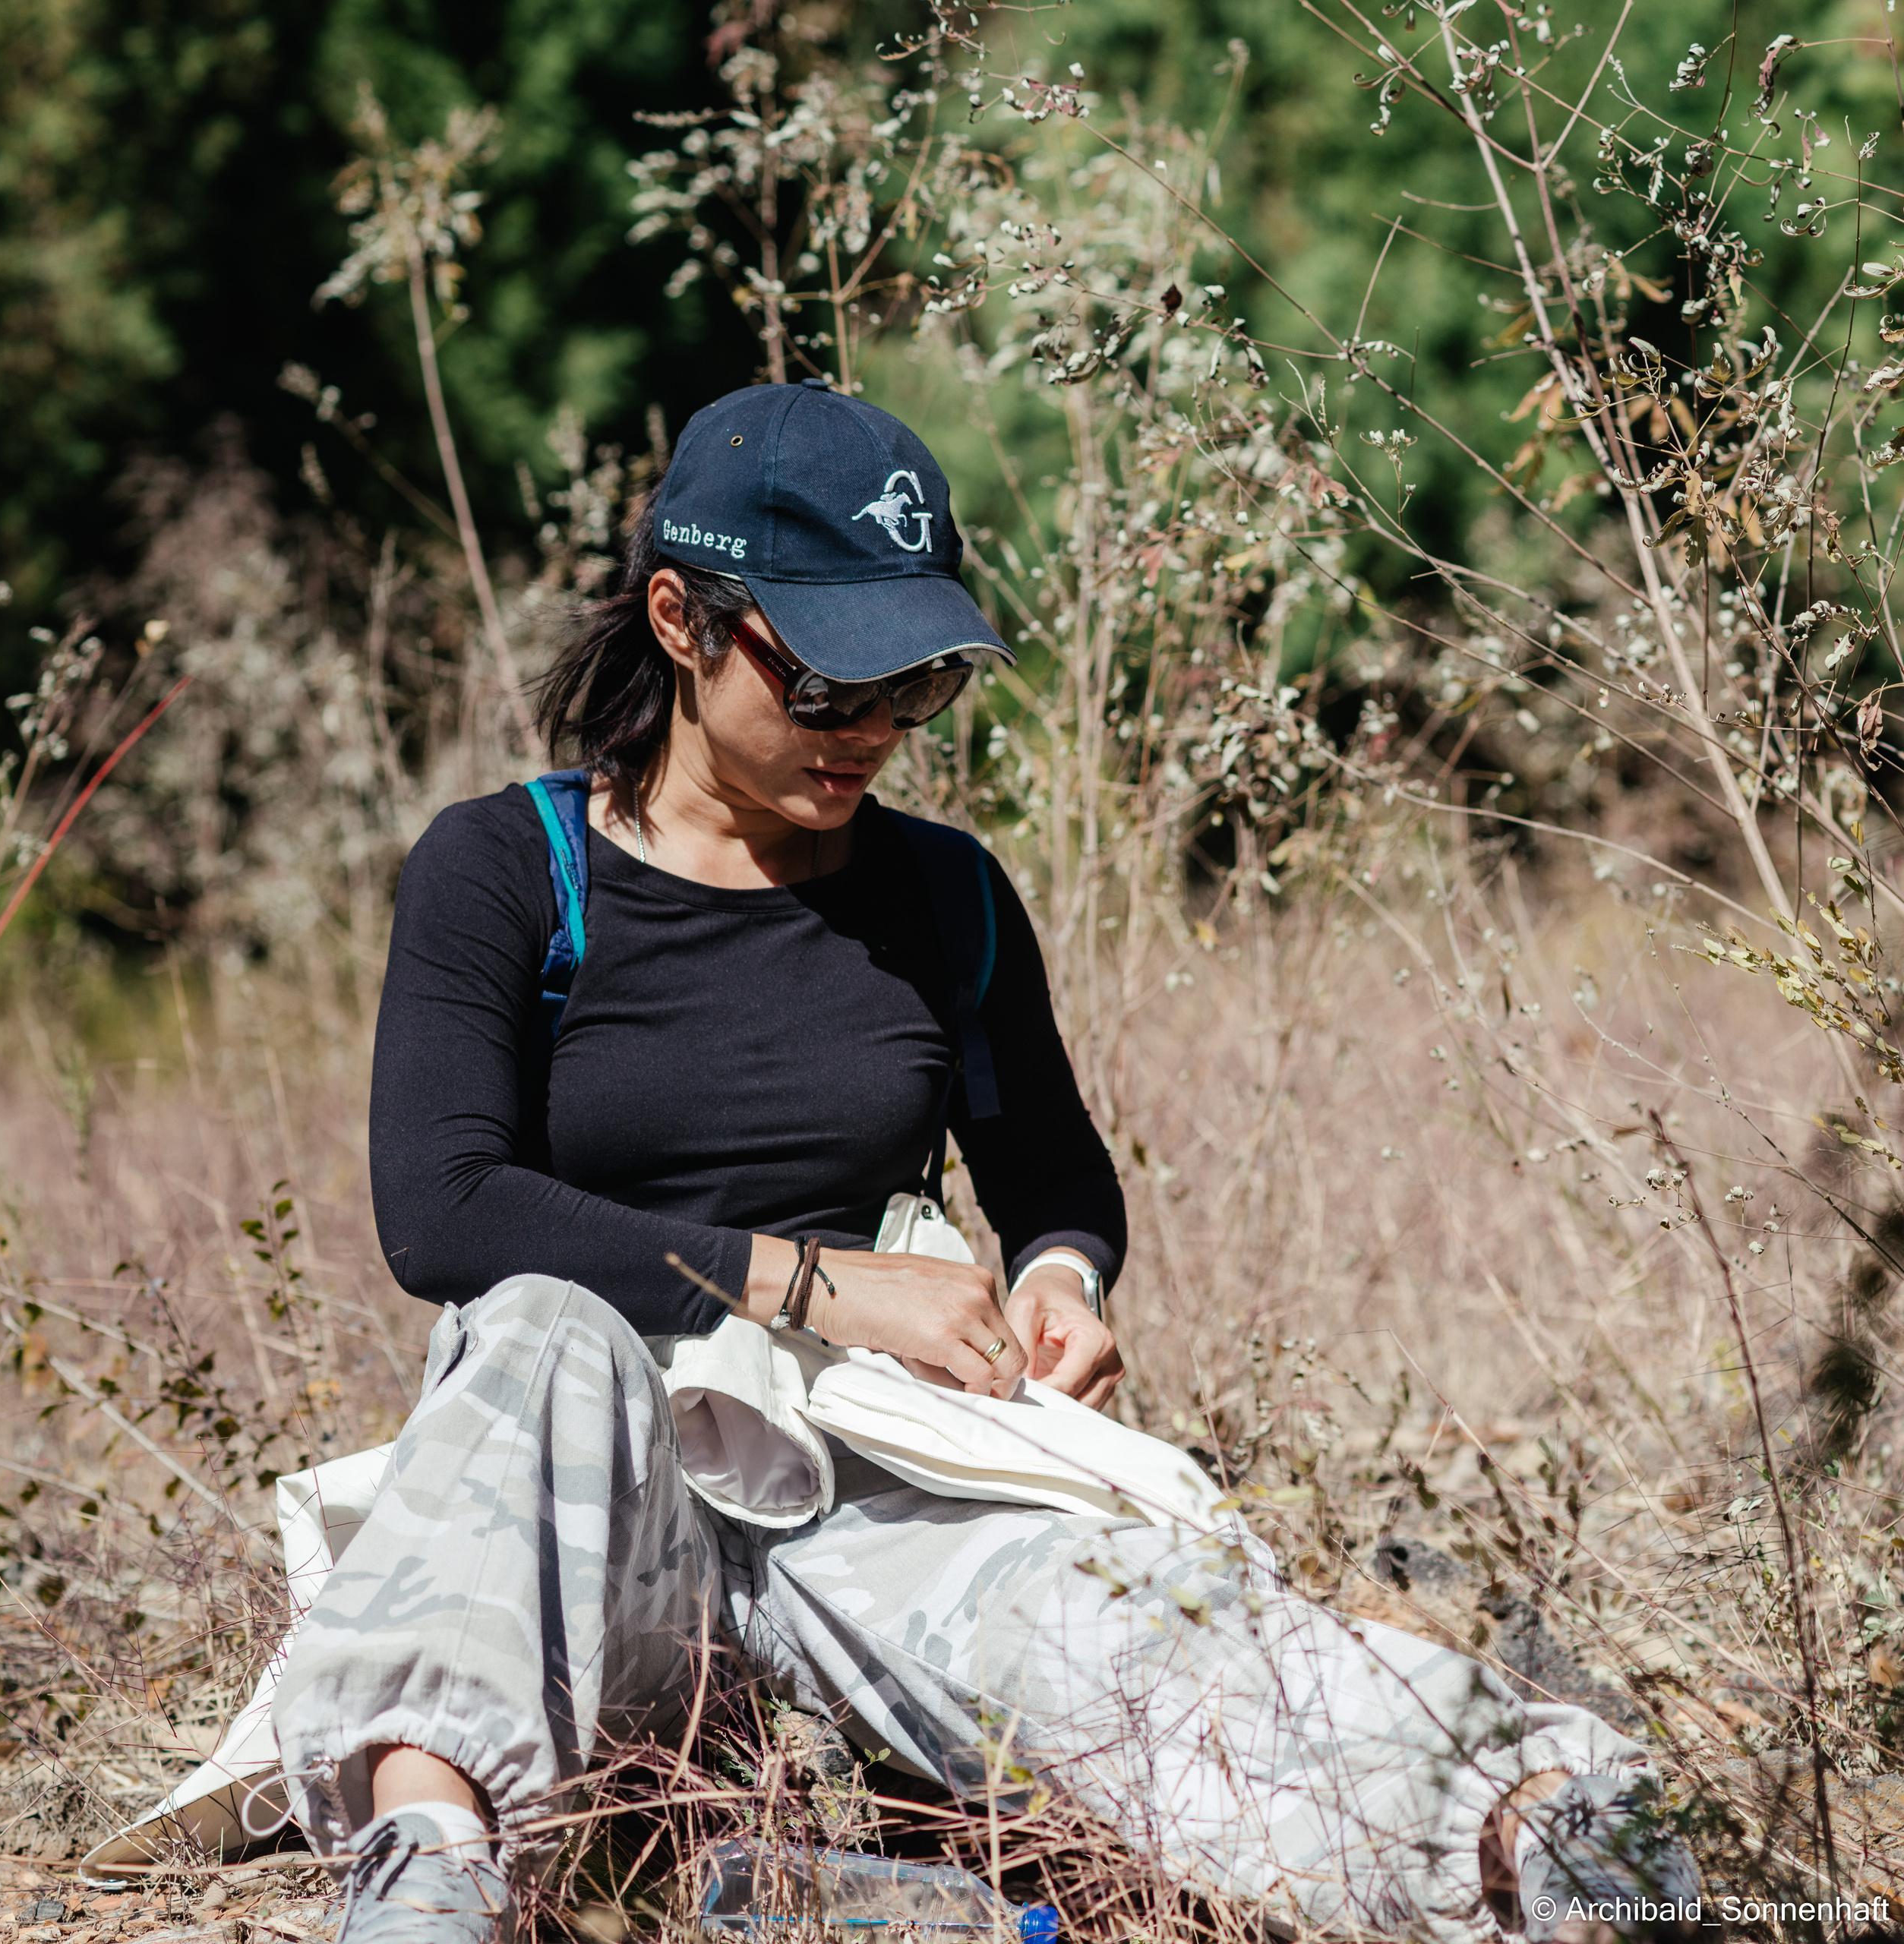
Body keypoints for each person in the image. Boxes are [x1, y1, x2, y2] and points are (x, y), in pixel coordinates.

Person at [271, 380, 1700, 1944]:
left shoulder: (945, 894)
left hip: (878, 1487)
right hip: (591, 1507)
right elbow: (443, 1208)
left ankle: (1539, 1821)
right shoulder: (505, 869)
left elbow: (1055, 1175)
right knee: (536, 1327)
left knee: (1119, 1630)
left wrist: (1056, 1280)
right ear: (680, 619)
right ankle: (427, 1876)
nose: (873, 731)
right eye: (824, 682)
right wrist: (814, 1282)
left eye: (917, 680)